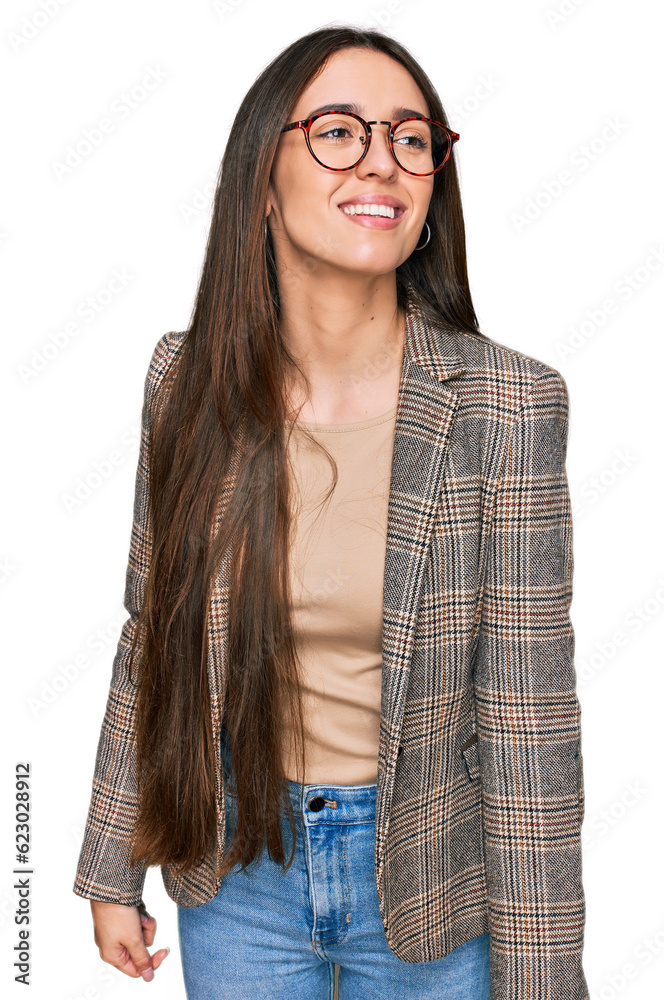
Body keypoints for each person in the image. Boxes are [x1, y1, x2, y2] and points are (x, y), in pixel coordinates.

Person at [73, 25, 589, 1000]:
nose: (383, 161)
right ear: (261, 177)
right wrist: (109, 865)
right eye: (340, 132)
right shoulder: (185, 383)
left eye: (409, 137)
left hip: (433, 883)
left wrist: (544, 981)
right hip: (237, 872)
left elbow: (528, 718)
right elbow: (154, 638)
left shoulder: (508, 403)